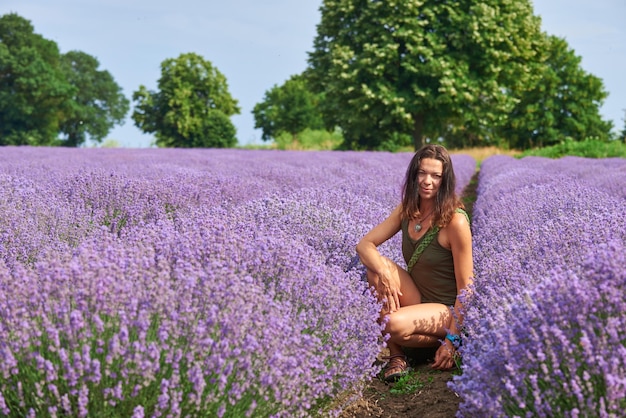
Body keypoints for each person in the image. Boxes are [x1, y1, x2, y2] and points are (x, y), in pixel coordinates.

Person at [355, 144, 473, 381]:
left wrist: (452, 339)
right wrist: (383, 272)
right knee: (376, 269)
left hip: (444, 310)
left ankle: (447, 346)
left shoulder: (455, 222)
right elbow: (364, 245)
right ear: (413, 175)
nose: (427, 181)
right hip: (418, 297)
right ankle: (397, 356)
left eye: (436, 175)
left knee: (392, 323)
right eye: (422, 173)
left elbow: (467, 289)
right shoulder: (408, 210)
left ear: (445, 180)